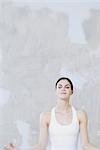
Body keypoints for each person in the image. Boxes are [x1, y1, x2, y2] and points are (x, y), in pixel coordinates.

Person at [5, 77, 100, 150]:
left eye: (67, 87)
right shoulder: (46, 116)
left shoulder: (80, 115)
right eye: (60, 87)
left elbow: (86, 144)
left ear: (72, 91)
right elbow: (41, 145)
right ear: (56, 91)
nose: (63, 89)